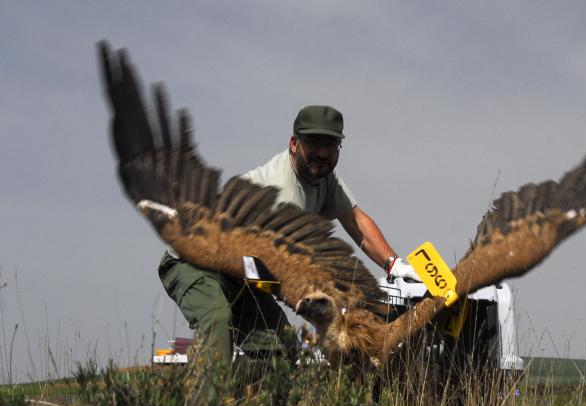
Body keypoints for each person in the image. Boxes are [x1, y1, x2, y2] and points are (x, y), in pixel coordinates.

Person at [158, 105, 420, 368]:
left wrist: (395, 265)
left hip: (243, 274)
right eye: (314, 143)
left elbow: (356, 222)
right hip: (195, 264)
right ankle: (206, 405)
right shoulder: (282, 192)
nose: (322, 153)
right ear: (294, 144)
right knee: (217, 323)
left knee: (282, 353)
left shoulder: (324, 178)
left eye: (330, 145)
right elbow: (289, 277)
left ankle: (240, 393)